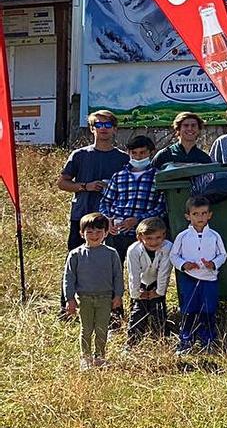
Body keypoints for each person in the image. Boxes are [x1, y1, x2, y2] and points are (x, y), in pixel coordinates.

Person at [58, 110, 130, 256]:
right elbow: (62, 183)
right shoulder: (79, 155)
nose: (103, 128)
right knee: (78, 258)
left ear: (115, 129)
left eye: (108, 124)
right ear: (92, 128)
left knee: (111, 261)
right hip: (82, 215)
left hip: (111, 219)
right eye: (99, 124)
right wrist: (86, 186)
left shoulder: (123, 159)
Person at [63, 213, 123, 369]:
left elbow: (118, 275)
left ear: (106, 232)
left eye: (98, 232)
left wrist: (118, 295)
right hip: (85, 298)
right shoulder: (75, 255)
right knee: (86, 329)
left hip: (105, 298)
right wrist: (70, 299)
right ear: (82, 233)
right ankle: (86, 357)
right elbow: (69, 277)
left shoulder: (111, 253)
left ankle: (100, 357)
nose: (94, 235)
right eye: (89, 232)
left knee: (102, 329)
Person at [169, 196, 226, 353]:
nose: (200, 217)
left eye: (203, 213)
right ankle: (186, 340)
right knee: (189, 309)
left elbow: (223, 254)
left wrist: (213, 263)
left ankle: (208, 340)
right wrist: (184, 265)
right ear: (188, 216)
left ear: (209, 215)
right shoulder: (183, 236)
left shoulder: (214, 236)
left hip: (209, 278)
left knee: (208, 309)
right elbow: (174, 256)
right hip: (190, 278)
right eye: (196, 214)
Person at [99, 135, 166, 260]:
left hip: (145, 234)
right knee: (112, 270)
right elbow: (106, 202)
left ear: (151, 152)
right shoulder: (119, 176)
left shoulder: (158, 177)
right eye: (134, 153)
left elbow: (161, 207)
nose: (138, 157)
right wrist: (108, 219)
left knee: (145, 274)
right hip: (116, 232)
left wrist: (138, 220)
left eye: (142, 153)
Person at [124, 217, 171, 344]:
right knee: (138, 311)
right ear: (140, 238)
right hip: (141, 282)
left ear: (164, 235)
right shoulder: (133, 250)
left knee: (158, 311)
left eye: (158, 238)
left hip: (156, 281)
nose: (154, 242)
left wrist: (159, 292)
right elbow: (133, 274)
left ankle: (161, 339)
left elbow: (164, 272)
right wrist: (137, 294)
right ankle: (133, 342)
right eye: (149, 238)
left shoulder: (167, 248)